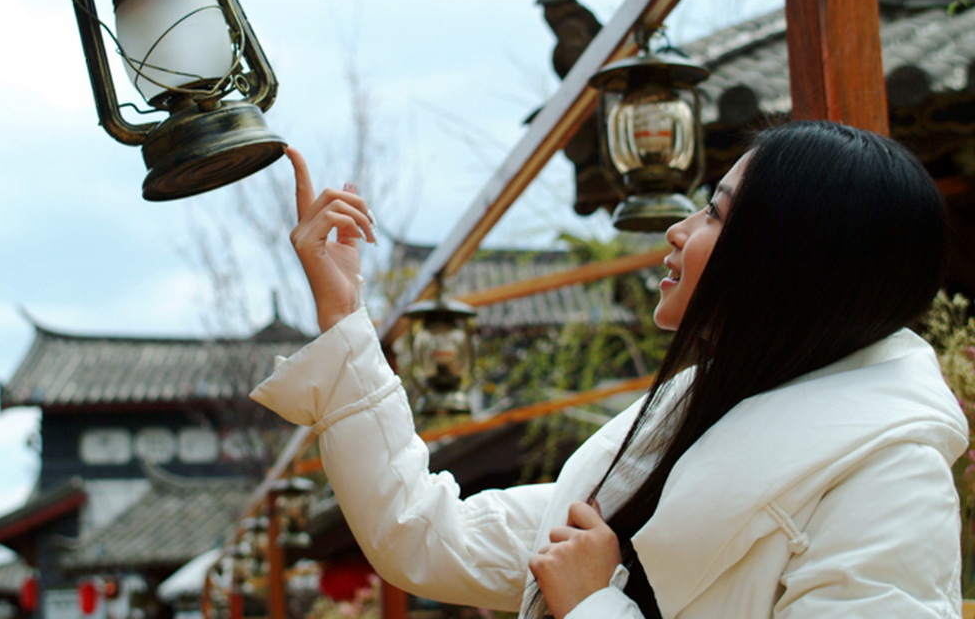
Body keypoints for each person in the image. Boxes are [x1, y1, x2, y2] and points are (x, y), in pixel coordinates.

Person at [251, 120, 968, 618]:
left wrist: (595, 604)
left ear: (788, 259)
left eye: (715, 215)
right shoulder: (682, 426)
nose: (678, 231)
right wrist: (343, 309)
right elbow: (427, 536)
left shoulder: (888, 473)